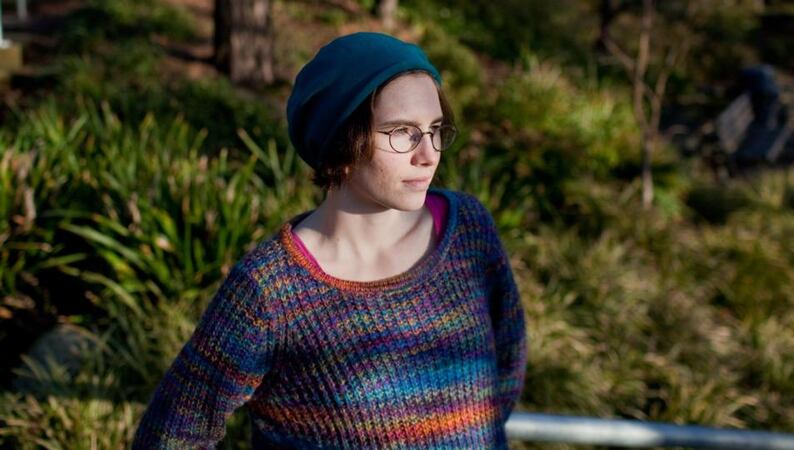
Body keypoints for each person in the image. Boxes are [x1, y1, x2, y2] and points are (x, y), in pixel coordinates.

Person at [133, 31, 527, 449]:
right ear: (342, 138)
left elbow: (507, 360)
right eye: (402, 133)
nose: (428, 154)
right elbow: (172, 435)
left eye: (434, 129)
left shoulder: (467, 229)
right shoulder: (270, 293)